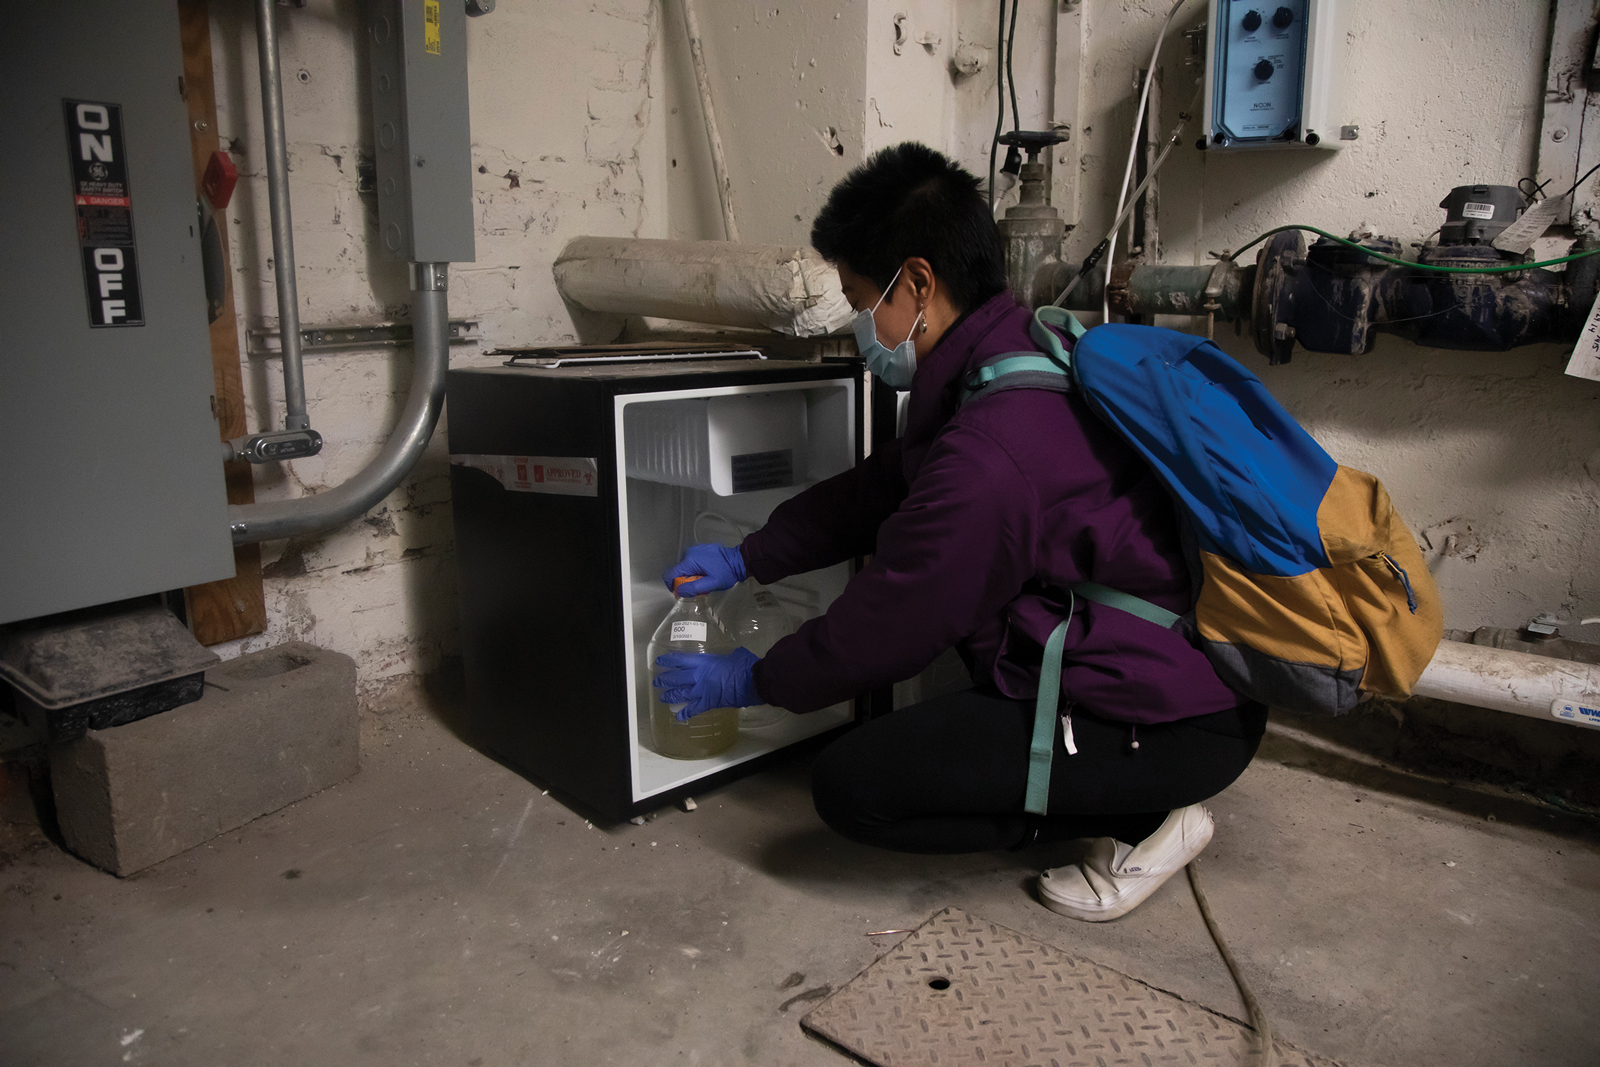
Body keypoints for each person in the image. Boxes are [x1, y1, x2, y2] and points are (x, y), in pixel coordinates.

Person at [652, 142, 1265, 922]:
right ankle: (1110, 784)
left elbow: (889, 624)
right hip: (1172, 671)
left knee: (854, 789)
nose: (860, 326)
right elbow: (888, 487)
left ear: (917, 283)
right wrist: (750, 555)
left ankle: (1146, 819)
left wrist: (754, 680)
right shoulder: (1017, 352)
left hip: (1169, 717)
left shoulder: (993, 447)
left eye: (861, 299)